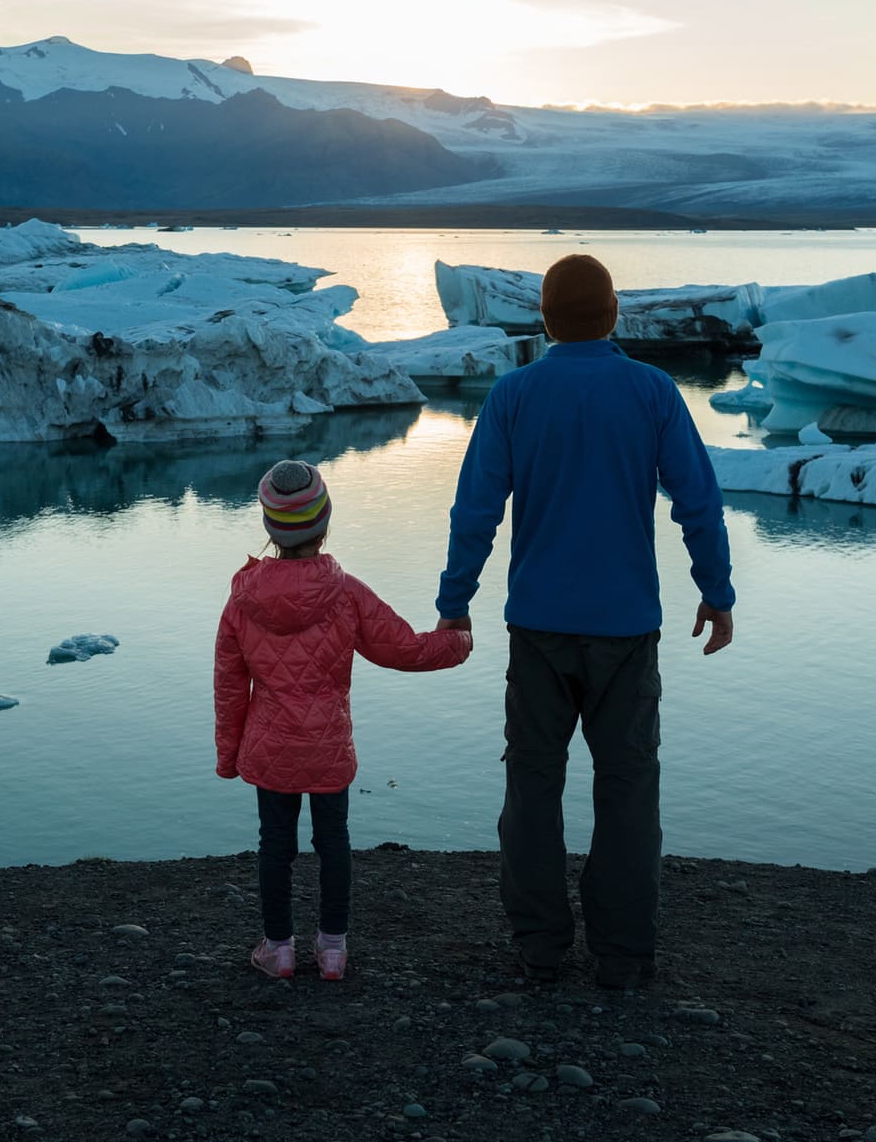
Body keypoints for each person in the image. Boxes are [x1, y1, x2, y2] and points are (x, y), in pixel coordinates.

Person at [435, 253, 735, 989]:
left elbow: (477, 508)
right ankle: (624, 954)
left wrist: (454, 603)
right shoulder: (652, 391)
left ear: (544, 318)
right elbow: (697, 499)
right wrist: (717, 591)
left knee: (532, 788)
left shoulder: (514, 396)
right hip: (627, 629)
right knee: (628, 790)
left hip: (538, 627)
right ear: (612, 315)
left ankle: (540, 947)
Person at [216, 459, 473, 981]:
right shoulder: (346, 591)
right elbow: (403, 649)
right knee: (334, 843)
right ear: (325, 521)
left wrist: (229, 756)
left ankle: (279, 949)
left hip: (270, 749)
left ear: (268, 526)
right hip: (329, 745)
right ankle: (332, 952)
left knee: (275, 845)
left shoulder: (242, 599)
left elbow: (228, 685)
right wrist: (457, 640)